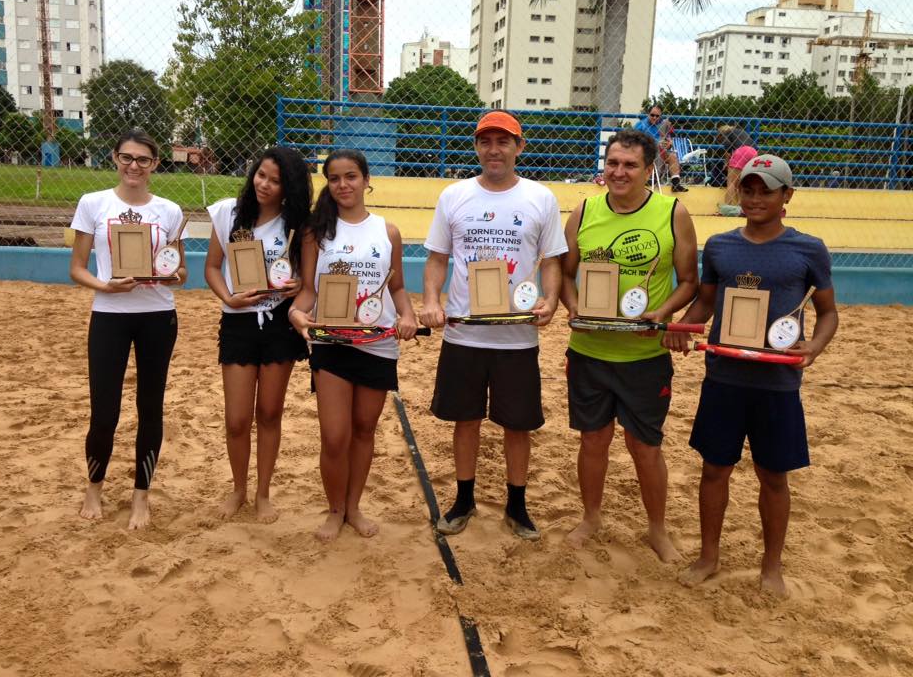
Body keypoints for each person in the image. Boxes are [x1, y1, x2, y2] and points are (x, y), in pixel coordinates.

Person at [667, 155, 838, 596]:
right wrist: (680, 327)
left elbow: (828, 313)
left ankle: (772, 566)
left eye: (767, 190)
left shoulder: (808, 248)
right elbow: (705, 303)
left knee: (774, 476)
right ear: (738, 193)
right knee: (713, 470)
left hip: (777, 384)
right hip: (724, 377)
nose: (756, 198)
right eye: (748, 189)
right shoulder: (721, 246)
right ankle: (708, 556)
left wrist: (814, 347)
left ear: (787, 196)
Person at [419, 109, 568, 541]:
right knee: (465, 419)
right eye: (486, 141)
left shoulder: (540, 198)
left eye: (504, 141)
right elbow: (438, 258)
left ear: (519, 147)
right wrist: (430, 300)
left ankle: (517, 506)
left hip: (516, 336)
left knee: (517, 423)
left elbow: (553, 259)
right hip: (464, 332)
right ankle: (464, 500)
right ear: (476, 146)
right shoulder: (454, 195)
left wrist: (552, 299)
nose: (494, 149)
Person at [559, 128, 698, 562]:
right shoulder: (583, 212)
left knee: (645, 446)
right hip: (590, 351)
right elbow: (564, 274)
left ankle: (657, 529)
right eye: (612, 163)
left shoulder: (673, 213)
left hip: (644, 353)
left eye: (630, 165)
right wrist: (575, 306)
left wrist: (664, 313)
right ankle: (591, 517)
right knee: (593, 440)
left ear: (649, 168)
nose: (618, 172)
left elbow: (690, 281)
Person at [289, 149, 419, 543]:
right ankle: (334, 510)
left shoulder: (388, 231)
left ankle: (354, 507)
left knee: (364, 430)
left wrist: (408, 316)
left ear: (366, 179)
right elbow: (308, 291)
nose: (343, 185)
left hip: (377, 343)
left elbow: (396, 287)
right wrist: (297, 314)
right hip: (332, 344)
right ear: (327, 183)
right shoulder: (317, 232)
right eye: (334, 178)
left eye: (350, 176)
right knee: (334, 435)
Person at [69, 129, 187, 529]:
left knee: (150, 408)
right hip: (109, 313)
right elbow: (77, 268)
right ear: (115, 158)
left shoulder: (169, 210)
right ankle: (94, 487)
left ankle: (141, 495)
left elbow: (180, 268)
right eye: (127, 157)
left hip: (157, 315)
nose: (134, 166)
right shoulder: (93, 204)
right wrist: (106, 285)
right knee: (104, 412)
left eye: (143, 159)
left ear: (155, 164)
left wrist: (172, 276)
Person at [204, 147, 312, 521]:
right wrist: (228, 298)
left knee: (269, 413)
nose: (264, 184)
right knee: (236, 418)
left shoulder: (298, 225)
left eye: (276, 180)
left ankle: (263, 492)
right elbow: (213, 269)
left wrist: (299, 286)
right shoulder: (229, 214)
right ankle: (238, 489)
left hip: (280, 324)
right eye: (261, 175)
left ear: (289, 188)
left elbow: (308, 282)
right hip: (238, 322)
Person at [634, 105, 688, 193]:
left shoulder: (663, 125)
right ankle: (652, 179)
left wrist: (669, 144)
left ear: (660, 116)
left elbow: (669, 140)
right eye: (652, 115)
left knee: (672, 156)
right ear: (648, 114)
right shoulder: (640, 125)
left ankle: (675, 184)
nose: (654, 117)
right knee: (657, 150)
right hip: (645, 151)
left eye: (657, 116)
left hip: (660, 151)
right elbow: (633, 140)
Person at [714, 125, 758, 215]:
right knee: (742, 183)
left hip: (741, 151)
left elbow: (728, 149)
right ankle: (742, 208)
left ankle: (725, 209)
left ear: (721, 134)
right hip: (753, 152)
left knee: (731, 182)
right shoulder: (740, 131)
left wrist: (726, 163)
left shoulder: (727, 133)